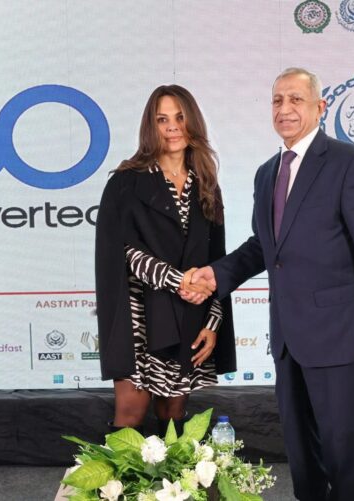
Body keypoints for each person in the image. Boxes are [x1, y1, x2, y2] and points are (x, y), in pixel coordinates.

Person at [184, 68, 354, 501]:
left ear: (320, 107)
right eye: (277, 100)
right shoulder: (267, 173)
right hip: (288, 338)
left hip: (341, 336)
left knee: (345, 450)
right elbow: (263, 247)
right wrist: (216, 275)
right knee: (302, 454)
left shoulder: (348, 162)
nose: (285, 109)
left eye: (296, 100)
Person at [95, 85, 236, 437]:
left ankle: (171, 475)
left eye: (180, 117)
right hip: (138, 315)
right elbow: (124, 254)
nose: (172, 127)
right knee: (131, 410)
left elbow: (217, 261)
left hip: (191, 312)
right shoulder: (126, 182)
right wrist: (181, 281)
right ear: (150, 126)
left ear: (193, 123)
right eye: (162, 119)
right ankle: (118, 475)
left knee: (173, 412)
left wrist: (213, 323)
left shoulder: (206, 184)